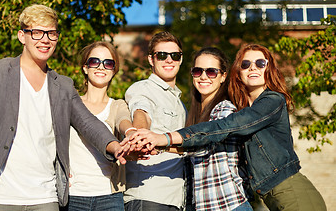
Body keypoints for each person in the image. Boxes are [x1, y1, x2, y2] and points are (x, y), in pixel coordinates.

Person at [0, 4, 128, 211]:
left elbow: (88, 122)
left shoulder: (62, 86)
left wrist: (115, 146)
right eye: (37, 32)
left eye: (51, 33)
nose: (45, 40)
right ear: (22, 36)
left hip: (45, 197)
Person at [131, 44, 327, 211]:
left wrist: (163, 139)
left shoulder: (266, 101)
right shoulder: (239, 108)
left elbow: (221, 130)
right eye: (245, 64)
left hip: (283, 189)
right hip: (267, 195)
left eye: (260, 63)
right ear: (238, 72)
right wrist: (158, 146)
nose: (253, 68)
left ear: (223, 76)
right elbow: (198, 148)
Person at [68, 41, 136, 210]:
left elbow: (123, 121)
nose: (101, 67)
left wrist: (130, 132)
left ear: (114, 70)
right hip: (73, 196)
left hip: (109, 197)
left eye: (108, 63)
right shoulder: (69, 103)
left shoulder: (117, 105)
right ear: (85, 67)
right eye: (94, 61)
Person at [124, 31, 186, 210]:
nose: (169, 60)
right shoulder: (142, 89)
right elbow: (142, 111)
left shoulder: (182, 103)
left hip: (176, 198)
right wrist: (141, 132)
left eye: (174, 55)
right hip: (149, 196)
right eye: (162, 55)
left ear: (181, 59)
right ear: (151, 59)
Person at [185, 47, 252, 211]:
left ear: (223, 76)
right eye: (198, 71)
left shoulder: (225, 110)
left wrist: (159, 144)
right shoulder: (195, 114)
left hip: (229, 204)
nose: (203, 77)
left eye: (211, 72)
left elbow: (201, 146)